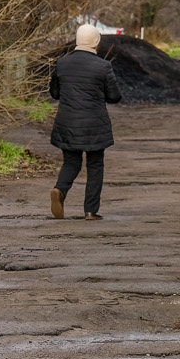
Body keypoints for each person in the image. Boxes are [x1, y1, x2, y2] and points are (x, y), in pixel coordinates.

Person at [49, 24, 122, 221]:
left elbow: (54, 93)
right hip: (94, 125)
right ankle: (90, 211)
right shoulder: (103, 66)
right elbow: (114, 96)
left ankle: (59, 190)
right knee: (95, 164)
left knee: (71, 161)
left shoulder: (62, 64)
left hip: (67, 122)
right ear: (96, 42)